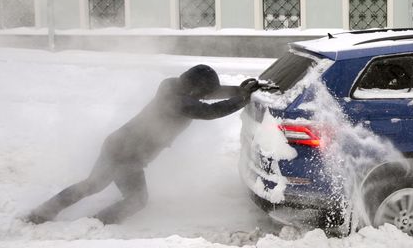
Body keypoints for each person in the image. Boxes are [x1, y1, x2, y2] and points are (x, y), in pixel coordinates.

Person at [26, 64, 260, 225]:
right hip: (126, 154)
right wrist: (242, 98)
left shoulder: (172, 85)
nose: (204, 96)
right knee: (134, 199)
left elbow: (209, 94)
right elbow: (210, 111)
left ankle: (42, 214)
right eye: (202, 93)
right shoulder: (177, 102)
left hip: (120, 145)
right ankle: (96, 224)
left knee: (92, 185)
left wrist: (238, 90)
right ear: (194, 89)